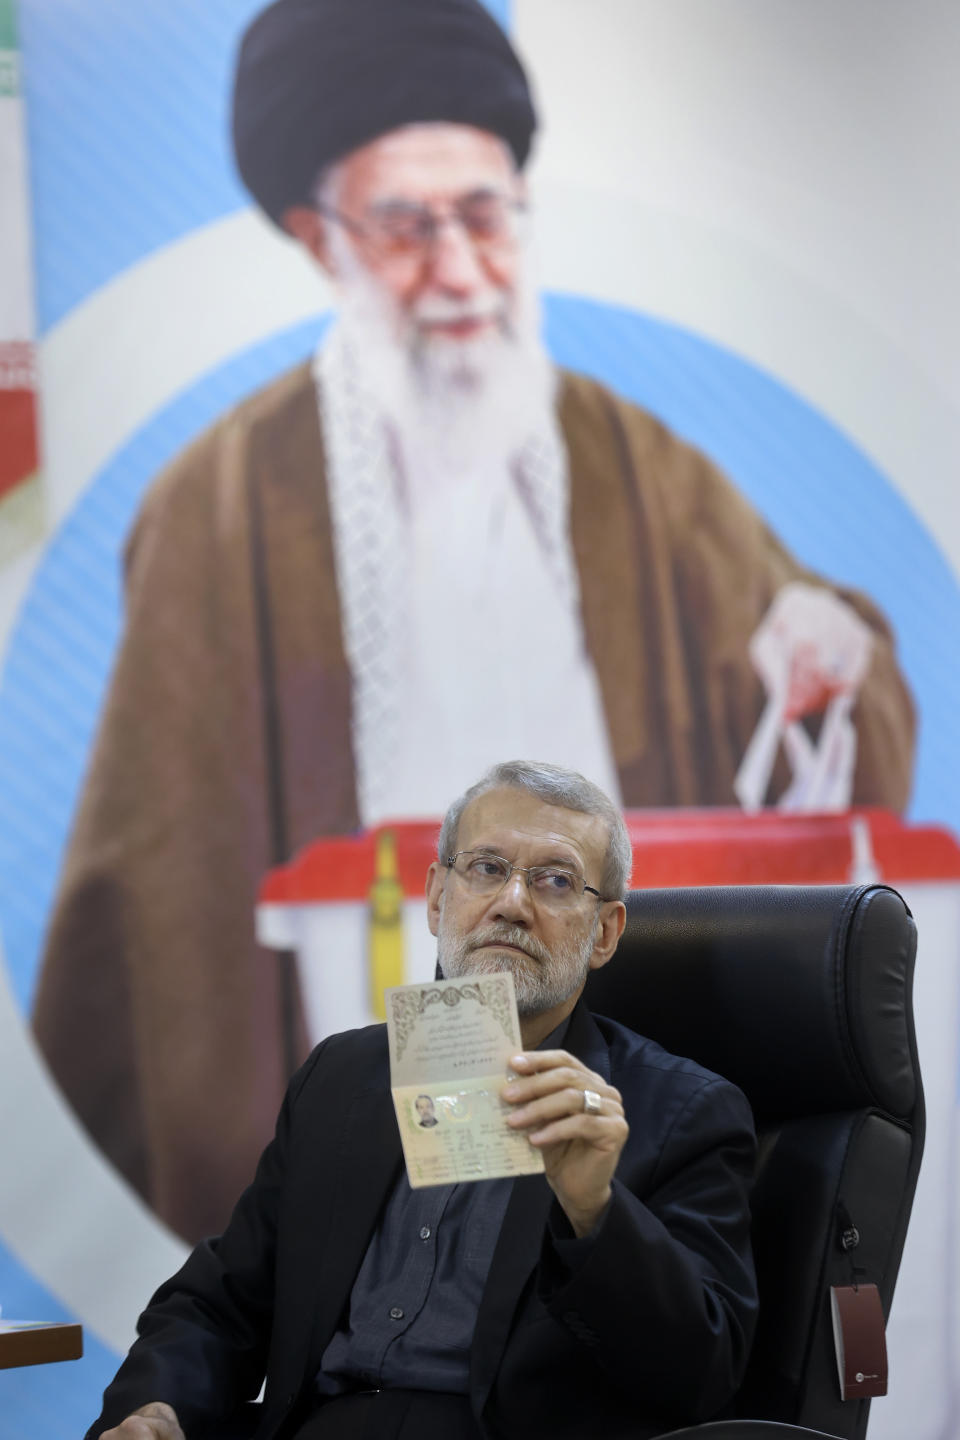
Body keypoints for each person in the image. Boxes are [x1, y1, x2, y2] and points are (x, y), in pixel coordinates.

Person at [32, 0, 914, 1244]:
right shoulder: (217, 507)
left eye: (485, 215)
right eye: (406, 225)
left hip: (609, 1093)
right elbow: (155, 936)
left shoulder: (633, 461)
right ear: (317, 236)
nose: (459, 271)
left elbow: (823, 664)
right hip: (382, 1110)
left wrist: (825, 639)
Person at [89, 761, 758, 1440]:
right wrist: (158, 1410)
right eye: (487, 868)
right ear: (438, 897)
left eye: (555, 881)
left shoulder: (681, 1111)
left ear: (607, 933)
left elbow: (702, 1377)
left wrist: (596, 1214)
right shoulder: (343, 1078)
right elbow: (220, 1301)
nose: (512, 902)